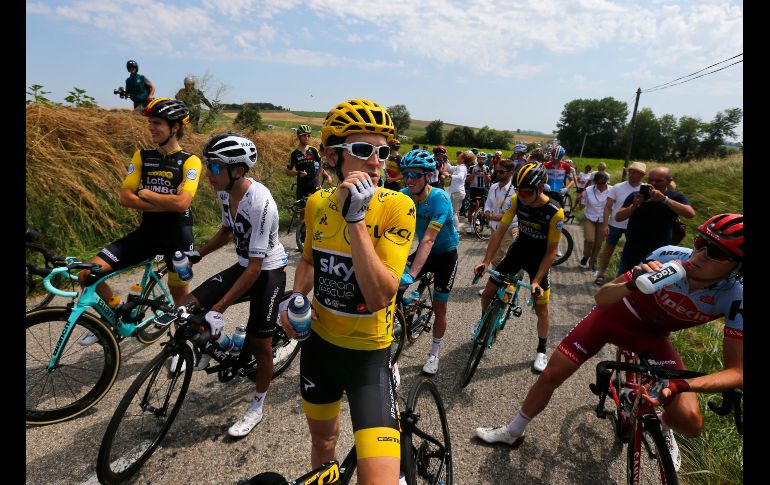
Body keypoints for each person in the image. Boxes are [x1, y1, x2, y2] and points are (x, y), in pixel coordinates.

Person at [475, 214, 743, 474]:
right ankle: (513, 431)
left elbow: (738, 371)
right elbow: (602, 298)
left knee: (691, 423)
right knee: (551, 375)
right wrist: (632, 283)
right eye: (700, 243)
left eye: (715, 252)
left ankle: (660, 424)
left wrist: (684, 384)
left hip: (652, 336)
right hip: (611, 316)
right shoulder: (668, 256)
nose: (699, 255)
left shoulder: (736, 296)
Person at [280, 99, 416, 484]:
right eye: (362, 150)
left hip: (368, 359)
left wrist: (356, 220)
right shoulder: (316, 203)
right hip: (320, 350)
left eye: (383, 152)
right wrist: (296, 298)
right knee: (324, 446)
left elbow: (379, 297)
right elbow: (308, 262)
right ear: (331, 156)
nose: (376, 162)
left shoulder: (397, 205)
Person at [182, 133, 289, 437]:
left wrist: (219, 307)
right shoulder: (225, 193)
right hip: (245, 265)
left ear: (237, 170)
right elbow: (227, 232)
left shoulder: (260, 202)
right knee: (187, 307)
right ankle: (219, 345)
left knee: (261, 345)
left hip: (267, 271)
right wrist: (197, 254)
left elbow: (255, 270)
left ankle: (257, 406)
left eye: (214, 167)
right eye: (208, 165)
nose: (208, 173)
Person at [76, 98, 200, 344]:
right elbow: (125, 197)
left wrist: (146, 193)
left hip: (178, 237)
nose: (151, 128)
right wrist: (163, 201)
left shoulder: (190, 161)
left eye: (157, 123)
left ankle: (180, 347)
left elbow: (182, 204)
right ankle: (114, 316)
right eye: (150, 123)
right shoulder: (142, 156)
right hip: (147, 233)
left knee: (180, 302)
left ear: (174, 127)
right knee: (87, 274)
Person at [473, 162, 564, 373]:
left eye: (526, 192)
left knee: (541, 310)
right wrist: (486, 261)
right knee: (487, 293)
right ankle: (486, 324)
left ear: (540, 189)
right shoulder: (517, 200)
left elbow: (551, 252)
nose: (521, 195)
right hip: (519, 251)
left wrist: (535, 281)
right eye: (519, 191)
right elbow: (499, 230)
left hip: (539, 260)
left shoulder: (554, 213)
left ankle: (541, 350)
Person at [399, 149, 460, 375]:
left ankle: (434, 353)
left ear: (428, 176)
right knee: (394, 286)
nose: (410, 179)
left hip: (445, 255)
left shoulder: (440, 198)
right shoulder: (404, 194)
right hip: (425, 253)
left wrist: (411, 274)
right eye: (407, 174)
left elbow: (428, 240)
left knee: (440, 307)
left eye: (415, 174)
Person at [614, 167, 696, 274]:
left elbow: (690, 213)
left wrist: (665, 200)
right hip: (632, 249)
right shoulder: (636, 196)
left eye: (659, 181)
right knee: (624, 283)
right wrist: (634, 206)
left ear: (669, 181)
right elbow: (618, 217)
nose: (653, 183)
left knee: (649, 287)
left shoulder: (675, 197)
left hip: (659, 253)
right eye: (650, 180)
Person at [593, 161, 646, 285]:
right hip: (615, 224)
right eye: (630, 172)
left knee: (631, 252)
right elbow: (608, 207)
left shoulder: (645, 189)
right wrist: (606, 224)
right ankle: (601, 273)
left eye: (635, 173)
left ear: (641, 175)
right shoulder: (618, 187)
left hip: (633, 226)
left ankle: (625, 277)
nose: (631, 174)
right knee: (608, 249)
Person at [477, 158, 518, 296]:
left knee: (498, 258)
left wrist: (495, 217)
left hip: (509, 228)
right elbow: (488, 203)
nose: (498, 174)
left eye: (501, 172)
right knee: (495, 256)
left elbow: (511, 214)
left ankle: (495, 287)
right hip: (495, 228)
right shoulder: (494, 187)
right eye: (496, 171)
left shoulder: (515, 190)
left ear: (511, 172)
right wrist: (487, 211)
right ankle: (500, 285)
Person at [286, 125, 322, 222]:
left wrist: (319, 175)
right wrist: (298, 173)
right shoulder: (294, 154)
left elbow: (320, 162)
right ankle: (302, 232)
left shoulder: (313, 150)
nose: (307, 138)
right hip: (302, 185)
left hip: (314, 182)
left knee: (321, 204)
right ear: (299, 137)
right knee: (302, 211)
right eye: (304, 135)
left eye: (309, 135)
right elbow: (288, 171)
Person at [578, 171, 611, 270]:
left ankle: (592, 262)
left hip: (603, 220)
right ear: (595, 182)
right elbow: (581, 206)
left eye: (603, 183)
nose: (601, 185)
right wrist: (581, 200)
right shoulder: (588, 190)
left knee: (598, 243)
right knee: (589, 239)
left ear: (606, 182)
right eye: (598, 183)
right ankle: (586, 255)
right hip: (590, 217)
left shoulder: (612, 190)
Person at [465, 152, 491, 234]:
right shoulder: (472, 167)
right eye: (480, 159)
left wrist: (486, 175)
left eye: (483, 159)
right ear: (477, 159)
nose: (481, 161)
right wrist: (474, 173)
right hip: (473, 189)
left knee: (482, 206)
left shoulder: (486, 168)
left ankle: (480, 218)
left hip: (482, 189)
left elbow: (488, 182)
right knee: (471, 207)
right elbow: (468, 180)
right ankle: (469, 225)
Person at [446, 151, 472, 230]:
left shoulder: (462, 167)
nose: (457, 157)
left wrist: (450, 176)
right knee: (453, 212)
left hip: (457, 192)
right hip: (456, 192)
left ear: (463, 159)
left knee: (454, 212)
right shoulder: (459, 166)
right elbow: (450, 168)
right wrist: (446, 161)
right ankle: (454, 229)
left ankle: (455, 230)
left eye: (459, 157)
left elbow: (460, 177)